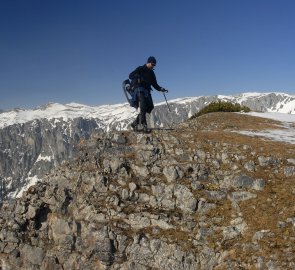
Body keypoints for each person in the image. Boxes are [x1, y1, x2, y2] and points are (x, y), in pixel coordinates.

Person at [129, 56, 168, 132]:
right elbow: (130, 75)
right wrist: (137, 76)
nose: (153, 66)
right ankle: (144, 125)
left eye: (154, 65)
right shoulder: (140, 68)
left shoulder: (151, 73)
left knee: (150, 107)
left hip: (147, 91)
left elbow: (155, 84)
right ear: (148, 62)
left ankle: (134, 123)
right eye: (152, 64)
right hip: (139, 89)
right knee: (143, 106)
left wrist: (161, 89)